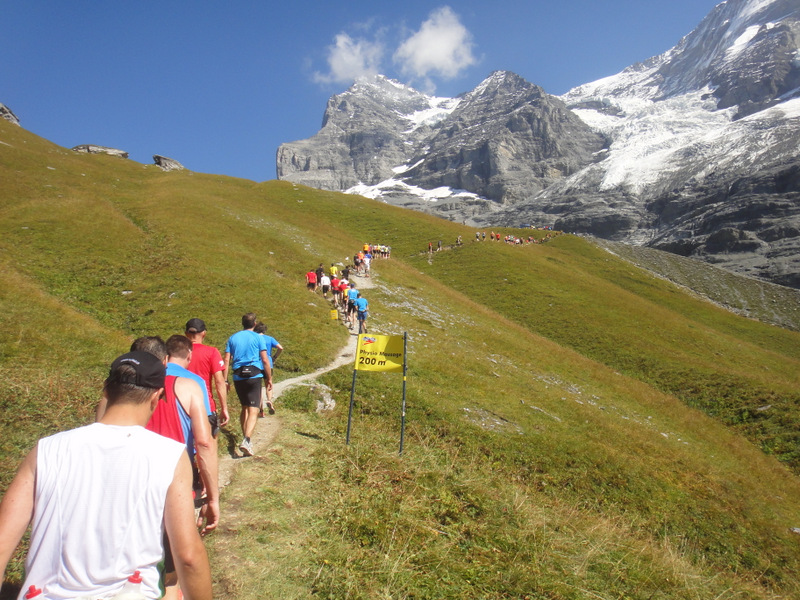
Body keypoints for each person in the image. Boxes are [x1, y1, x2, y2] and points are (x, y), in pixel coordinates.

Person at [0, 352, 212, 600]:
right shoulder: (170, 455)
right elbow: (187, 557)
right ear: (156, 396)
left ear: (106, 390)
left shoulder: (46, 450)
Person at [224, 312, 271, 457]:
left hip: (238, 376)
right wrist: (268, 378)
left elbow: (226, 361)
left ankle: (246, 439)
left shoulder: (233, 338)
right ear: (254, 324)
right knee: (253, 409)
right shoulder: (258, 338)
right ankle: (247, 439)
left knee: (244, 407)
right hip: (254, 375)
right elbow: (264, 359)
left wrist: (225, 380)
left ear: (242, 323)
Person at [185, 317, 230, 434]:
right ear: (204, 333)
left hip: (182, 407)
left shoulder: (177, 353)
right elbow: (219, 381)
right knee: (208, 447)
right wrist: (224, 408)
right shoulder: (212, 352)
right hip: (206, 406)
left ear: (186, 334)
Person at [253, 321, 283, 417]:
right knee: (268, 384)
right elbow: (280, 348)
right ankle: (269, 400)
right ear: (264, 330)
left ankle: (261, 411)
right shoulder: (270, 339)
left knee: (258, 388)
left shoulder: (254, 338)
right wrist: (274, 357)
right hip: (268, 364)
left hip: (256, 364)